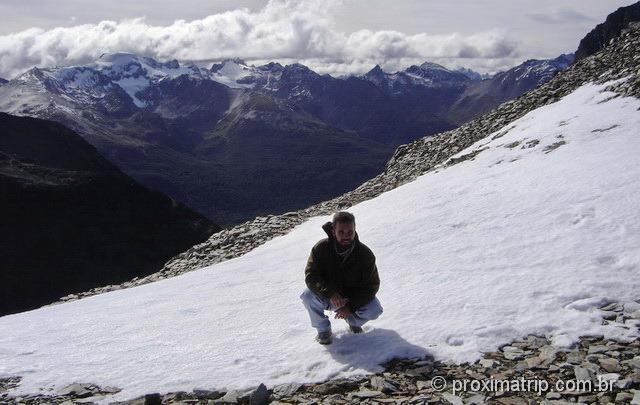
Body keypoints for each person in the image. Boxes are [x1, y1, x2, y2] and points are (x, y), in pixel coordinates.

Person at [300, 211, 383, 345]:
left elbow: (371, 286)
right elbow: (311, 275)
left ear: (355, 230)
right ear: (334, 231)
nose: (346, 236)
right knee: (307, 296)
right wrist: (330, 293)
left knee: (375, 309)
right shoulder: (321, 248)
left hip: (351, 299)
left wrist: (350, 307)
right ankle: (323, 330)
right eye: (341, 232)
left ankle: (353, 322)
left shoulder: (365, 254)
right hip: (328, 296)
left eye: (350, 232)